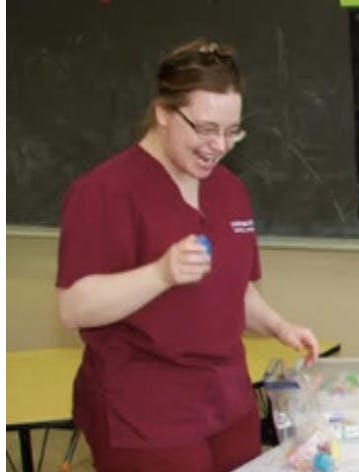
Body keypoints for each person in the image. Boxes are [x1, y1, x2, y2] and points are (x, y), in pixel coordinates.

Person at [56, 39, 320, 471]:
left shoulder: (229, 190)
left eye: (231, 131)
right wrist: (160, 274)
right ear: (163, 112)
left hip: (227, 401)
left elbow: (235, 290)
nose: (218, 145)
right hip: (144, 413)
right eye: (205, 128)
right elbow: (73, 307)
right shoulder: (104, 193)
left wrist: (278, 325)